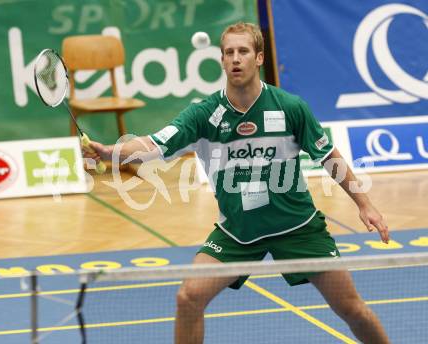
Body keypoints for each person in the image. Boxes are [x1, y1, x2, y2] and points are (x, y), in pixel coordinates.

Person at [83, 22, 390, 343]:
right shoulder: (203, 114)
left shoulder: (290, 107)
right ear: (222, 59)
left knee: (351, 308)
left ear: (258, 58)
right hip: (238, 233)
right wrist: (111, 152)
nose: (235, 59)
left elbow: (329, 156)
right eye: (229, 52)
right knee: (189, 297)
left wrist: (364, 204)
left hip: (297, 228)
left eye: (243, 51)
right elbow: (154, 144)